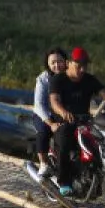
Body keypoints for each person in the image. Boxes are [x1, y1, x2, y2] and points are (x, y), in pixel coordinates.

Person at [48, 46, 105, 196]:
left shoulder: (89, 79)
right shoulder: (58, 80)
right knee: (64, 143)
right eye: (79, 65)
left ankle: (98, 173)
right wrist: (63, 112)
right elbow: (54, 101)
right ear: (68, 63)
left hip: (84, 121)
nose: (82, 69)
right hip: (64, 122)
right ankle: (64, 181)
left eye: (85, 65)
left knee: (100, 141)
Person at [32, 47, 67, 178]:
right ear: (48, 64)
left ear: (65, 61)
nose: (57, 65)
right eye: (53, 62)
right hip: (44, 115)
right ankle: (44, 163)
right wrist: (51, 123)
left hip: (62, 113)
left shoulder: (71, 76)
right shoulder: (43, 79)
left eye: (60, 61)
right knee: (43, 132)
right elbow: (39, 105)